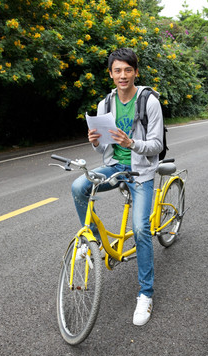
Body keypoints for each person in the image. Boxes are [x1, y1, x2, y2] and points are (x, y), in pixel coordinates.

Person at [71, 48, 163, 326]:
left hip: (141, 172)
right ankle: (95, 243)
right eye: (117, 71)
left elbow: (157, 145)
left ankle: (145, 294)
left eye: (128, 70)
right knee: (78, 187)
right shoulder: (105, 104)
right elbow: (103, 150)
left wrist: (131, 143)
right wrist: (95, 140)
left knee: (140, 229)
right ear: (110, 74)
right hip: (115, 167)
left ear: (136, 72)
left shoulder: (149, 102)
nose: (123, 76)